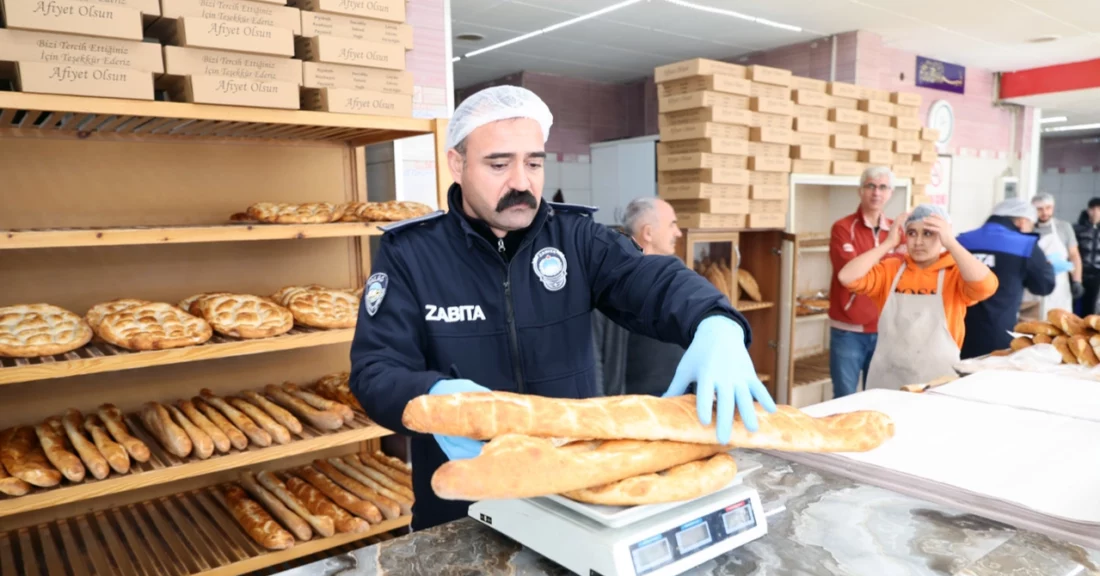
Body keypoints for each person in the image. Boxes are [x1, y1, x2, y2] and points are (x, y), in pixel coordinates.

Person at [349, 86, 776, 531]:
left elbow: (653, 280)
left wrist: (715, 322)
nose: (521, 182)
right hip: (462, 507)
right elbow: (375, 371)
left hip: (576, 499)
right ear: (457, 165)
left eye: (533, 163)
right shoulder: (411, 253)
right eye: (499, 164)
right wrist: (433, 397)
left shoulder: (576, 239)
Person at [837, 204, 999, 390]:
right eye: (912, 233)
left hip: (937, 380)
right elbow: (846, 277)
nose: (918, 242)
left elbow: (987, 286)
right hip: (887, 378)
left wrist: (952, 243)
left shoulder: (954, 273)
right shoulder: (890, 270)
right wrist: (887, 244)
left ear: (943, 235)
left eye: (928, 233)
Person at [592, 197, 685, 396]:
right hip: (631, 411)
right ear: (648, 233)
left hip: (676, 406)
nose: (678, 233)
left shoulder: (678, 278)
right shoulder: (611, 280)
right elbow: (594, 357)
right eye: (672, 225)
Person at [828, 166, 904, 397]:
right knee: (844, 397)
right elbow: (851, 276)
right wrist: (887, 247)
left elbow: (901, 275)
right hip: (848, 331)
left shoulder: (898, 231)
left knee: (878, 397)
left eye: (883, 187)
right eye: (870, 186)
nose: (876, 193)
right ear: (860, 190)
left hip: (885, 329)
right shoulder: (843, 228)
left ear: (890, 193)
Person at [956, 198, 1055, 358]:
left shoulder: (961, 241)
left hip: (957, 333)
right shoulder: (1025, 245)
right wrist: (1047, 266)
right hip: (998, 338)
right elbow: (1043, 286)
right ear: (1022, 222)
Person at [1028, 193, 1083, 319]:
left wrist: (1077, 280)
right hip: (1033, 282)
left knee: (1059, 322)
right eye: (1040, 209)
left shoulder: (1064, 227)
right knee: (1033, 324)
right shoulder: (1028, 228)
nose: (1045, 212)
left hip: (1059, 283)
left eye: (1048, 208)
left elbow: (1074, 255)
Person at [1073, 197, 1100, 316]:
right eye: (1092, 209)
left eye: (1099, 209)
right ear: (1088, 210)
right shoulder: (1077, 229)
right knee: (1074, 306)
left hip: (1097, 275)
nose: (1096, 212)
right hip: (1079, 273)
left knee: (1091, 307)